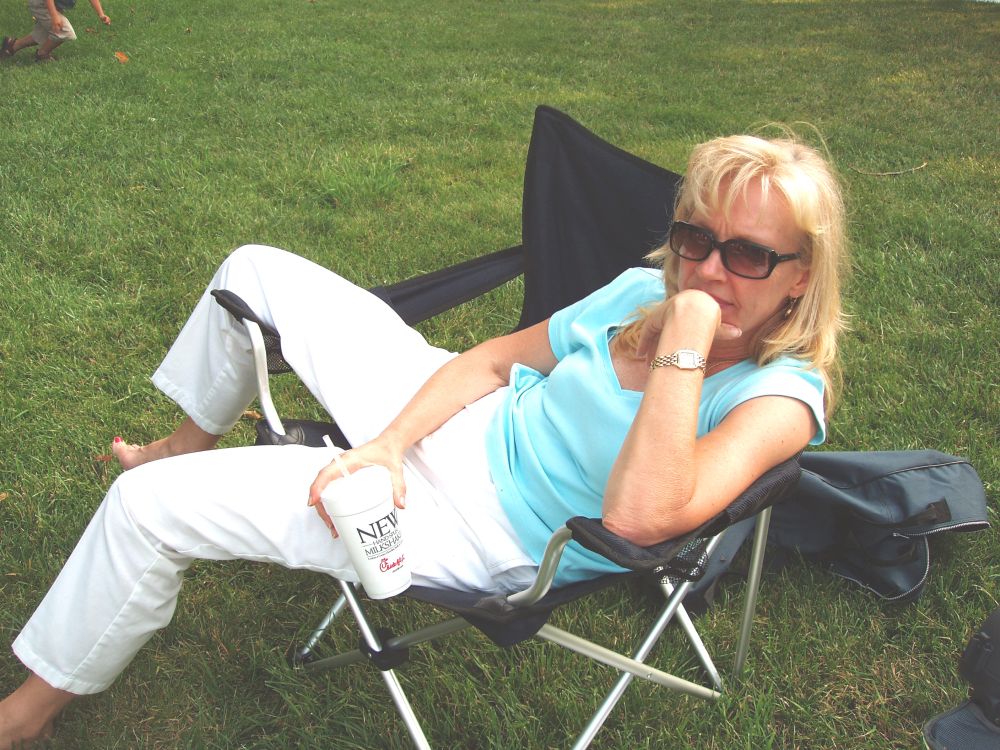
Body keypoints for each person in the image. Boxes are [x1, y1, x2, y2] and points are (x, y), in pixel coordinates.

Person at [0, 132, 847, 747]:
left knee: (144, 507)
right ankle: (188, 441)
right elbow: (493, 361)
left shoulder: (779, 397)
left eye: (747, 255)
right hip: (462, 426)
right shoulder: (637, 290)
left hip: (488, 535)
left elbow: (638, 519)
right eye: (696, 240)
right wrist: (392, 442)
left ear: (800, 274)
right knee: (252, 266)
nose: (707, 271)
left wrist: (685, 343)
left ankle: (27, 714)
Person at [1, 0, 110, 63]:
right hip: (41, 4)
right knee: (64, 31)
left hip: (52, 6)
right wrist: (54, 16)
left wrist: (101, 14)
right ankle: (42, 54)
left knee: (45, 33)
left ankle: (12, 46)